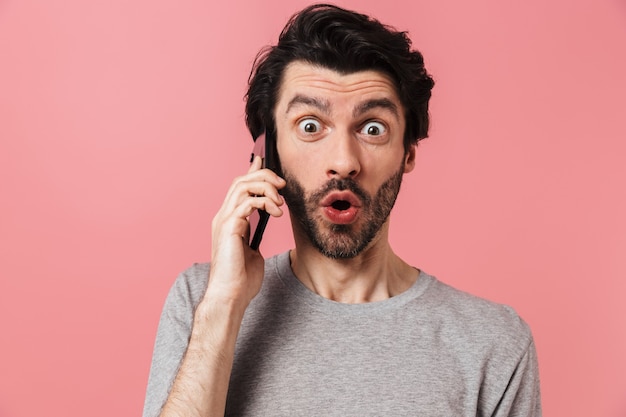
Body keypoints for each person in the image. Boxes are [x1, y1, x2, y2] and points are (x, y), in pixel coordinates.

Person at [142, 4, 542, 416]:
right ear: (268, 153)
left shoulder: (493, 344)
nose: (344, 160)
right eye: (310, 126)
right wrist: (224, 306)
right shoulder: (202, 301)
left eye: (373, 128)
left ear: (407, 152)